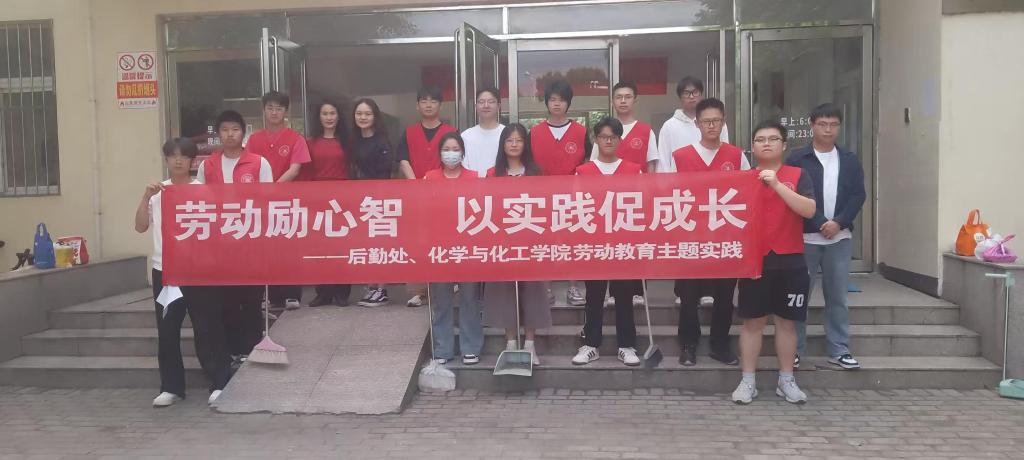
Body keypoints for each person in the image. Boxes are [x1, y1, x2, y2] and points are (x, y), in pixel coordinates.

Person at [135, 137, 235, 407]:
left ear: (192, 161)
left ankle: (220, 381)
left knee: (209, 327)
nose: (178, 161)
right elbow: (140, 227)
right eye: (173, 156)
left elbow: (217, 230)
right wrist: (145, 197)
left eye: (183, 156)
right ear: (166, 160)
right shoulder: (158, 192)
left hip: (200, 270)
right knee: (168, 330)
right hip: (166, 271)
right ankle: (171, 387)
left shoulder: (204, 191)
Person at [732, 120, 815, 405]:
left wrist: (777, 184)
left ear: (784, 145)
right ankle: (748, 381)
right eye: (760, 139)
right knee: (752, 322)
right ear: (752, 147)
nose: (766, 143)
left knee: (787, 323)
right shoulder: (744, 178)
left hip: (790, 259)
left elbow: (809, 210)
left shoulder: (798, 174)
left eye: (772, 139)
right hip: (755, 260)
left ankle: (786, 380)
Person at [786, 103, 866, 370]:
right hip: (805, 239)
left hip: (839, 239)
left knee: (838, 296)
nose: (828, 130)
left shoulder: (849, 159)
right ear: (812, 125)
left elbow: (858, 195)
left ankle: (839, 349)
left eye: (833, 125)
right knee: (799, 296)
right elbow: (792, 195)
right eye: (822, 124)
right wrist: (820, 222)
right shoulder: (798, 159)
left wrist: (839, 222)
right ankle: (794, 350)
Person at [671, 97, 748, 367]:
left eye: (716, 121)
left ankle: (720, 345)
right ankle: (688, 345)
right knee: (688, 295)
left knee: (725, 295)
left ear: (723, 122)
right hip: (690, 235)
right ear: (697, 124)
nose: (711, 126)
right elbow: (667, 194)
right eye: (706, 121)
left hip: (726, 236)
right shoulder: (681, 156)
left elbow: (747, 194)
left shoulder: (736, 156)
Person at [571, 118, 643, 367]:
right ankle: (591, 344)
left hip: (623, 242)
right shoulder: (583, 171)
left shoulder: (634, 170)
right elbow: (576, 206)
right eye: (603, 136)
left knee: (624, 295)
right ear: (596, 139)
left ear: (620, 140)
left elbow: (641, 205)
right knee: (594, 295)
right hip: (594, 242)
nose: (608, 141)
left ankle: (627, 345)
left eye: (613, 137)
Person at [484, 123, 551, 365]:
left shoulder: (535, 172)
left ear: (525, 144)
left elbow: (545, 206)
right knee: (505, 294)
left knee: (532, 293)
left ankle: (530, 345)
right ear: (502, 144)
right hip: (503, 242)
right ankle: (510, 342)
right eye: (509, 140)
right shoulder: (492, 174)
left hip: (531, 241)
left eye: (519, 140)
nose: (514, 144)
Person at [245, 91, 311, 311]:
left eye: (279, 108)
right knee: (267, 248)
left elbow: (295, 169)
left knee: (289, 247)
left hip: (288, 202)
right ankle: (272, 295)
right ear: (264, 110)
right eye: (270, 108)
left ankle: (292, 294)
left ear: (286, 111)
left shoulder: (296, 138)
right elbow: (248, 167)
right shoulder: (254, 140)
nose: (274, 112)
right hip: (261, 204)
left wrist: (272, 188)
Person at [423, 132, 483, 365]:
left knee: (470, 298)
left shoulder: (473, 178)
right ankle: (443, 349)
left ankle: (471, 347)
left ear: (463, 153)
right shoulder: (430, 177)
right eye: (446, 149)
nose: (451, 154)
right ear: (440, 153)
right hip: (439, 247)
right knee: (442, 301)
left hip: (467, 246)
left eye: (455, 149)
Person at [530, 79, 590, 306]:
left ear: (569, 103)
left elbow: (588, 164)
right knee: (545, 243)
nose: (557, 104)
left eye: (562, 100)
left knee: (571, 242)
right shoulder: (535, 132)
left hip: (572, 197)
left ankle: (573, 288)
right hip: (542, 197)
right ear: (546, 102)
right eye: (553, 99)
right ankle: (546, 288)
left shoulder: (580, 132)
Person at [397, 86, 457, 308]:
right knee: (419, 241)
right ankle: (420, 291)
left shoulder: (451, 132)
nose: (428, 105)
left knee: (445, 239)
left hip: (445, 196)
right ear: (417, 106)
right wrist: (415, 184)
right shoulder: (409, 133)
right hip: (417, 196)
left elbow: (456, 159)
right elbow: (403, 159)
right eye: (424, 101)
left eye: (433, 101)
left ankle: (449, 282)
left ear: (441, 105)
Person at [303, 99, 353, 308]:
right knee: (320, 247)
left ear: (338, 116)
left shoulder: (348, 141)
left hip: (343, 198)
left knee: (342, 245)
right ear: (319, 117)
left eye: (333, 113)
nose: (329, 117)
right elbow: (306, 172)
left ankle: (342, 292)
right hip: (318, 198)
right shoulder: (310, 142)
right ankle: (323, 293)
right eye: (325, 113)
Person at [346, 98, 395, 307]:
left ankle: (381, 289)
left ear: (375, 117)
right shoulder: (353, 141)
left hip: (378, 200)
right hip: (358, 201)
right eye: (359, 114)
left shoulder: (382, 142)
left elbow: (384, 172)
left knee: (380, 244)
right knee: (365, 245)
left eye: (367, 114)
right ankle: (370, 286)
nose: (363, 117)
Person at [656, 76, 730, 173]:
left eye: (695, 92)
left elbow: (726, 152)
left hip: (714, 176)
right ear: (680, 97)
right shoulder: (669, 126)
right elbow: (663, 161)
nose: (691, 97)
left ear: (701, 94)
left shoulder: (717, 123)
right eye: (686, 93)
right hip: (680, 179)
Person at [589, 81, 658, 173]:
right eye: (618, 97)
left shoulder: (646, 131)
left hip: (638, 181)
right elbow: (594, 163)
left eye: (628, 97)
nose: (623, 101)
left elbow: (651, 165)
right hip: (608, 181)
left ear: (635, 100)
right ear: (612, 101)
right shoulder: (603, 130)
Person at [461, 87, 505, 177]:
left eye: (491, 102)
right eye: (481, 102)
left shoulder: (506, 134)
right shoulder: (466, 136)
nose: (486, 105)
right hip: (472, 184)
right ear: (476, 106)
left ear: (498, 106)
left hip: (501, 183)